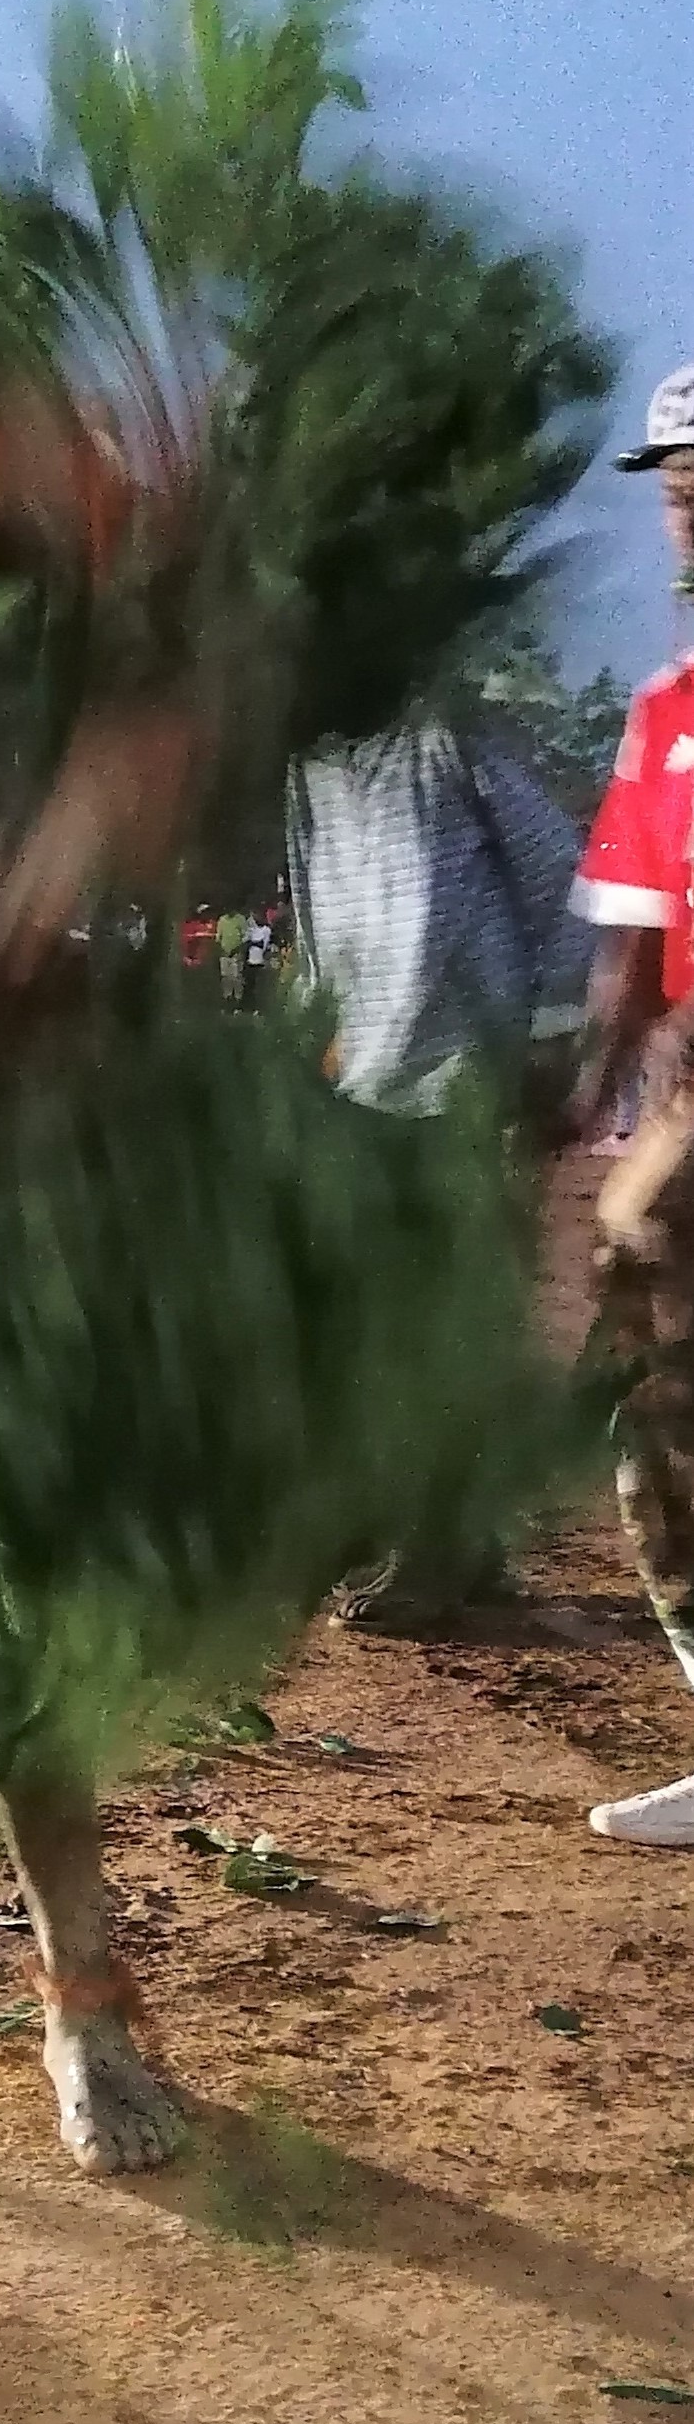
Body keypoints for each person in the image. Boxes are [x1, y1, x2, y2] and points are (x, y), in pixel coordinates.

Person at [567, 361, 694, 1846]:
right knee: (649, 1408)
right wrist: (585, 1088)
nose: (676, 509)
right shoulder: (663, 713)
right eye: (670, 484)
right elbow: (627, 945)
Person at [213, 904, 248, 1007]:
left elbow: (245, 936)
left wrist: (238, 949)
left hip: (236, 953)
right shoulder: (222, 920)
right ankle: (226, 997)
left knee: (237, 976)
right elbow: (218, 937)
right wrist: (221, 950)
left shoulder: (240, 919)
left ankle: (238, 999)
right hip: (224, 953)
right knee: (225, 976)